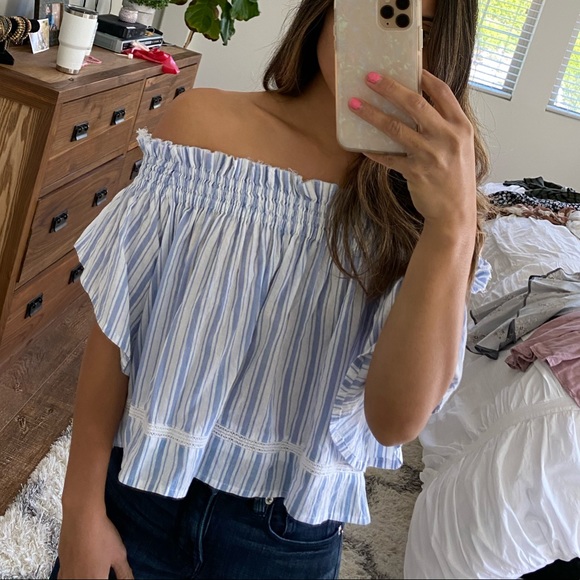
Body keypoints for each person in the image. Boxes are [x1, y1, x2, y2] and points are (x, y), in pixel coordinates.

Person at [51, 0, 491, 578]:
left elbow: (394, 421)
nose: (383, 38)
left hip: (286, 543)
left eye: (416, 27)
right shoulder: (201, 128)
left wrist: (452, 225)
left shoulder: (430, 211)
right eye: (371, 8)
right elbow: (118, 332)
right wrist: (80, 508)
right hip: (139, 500)